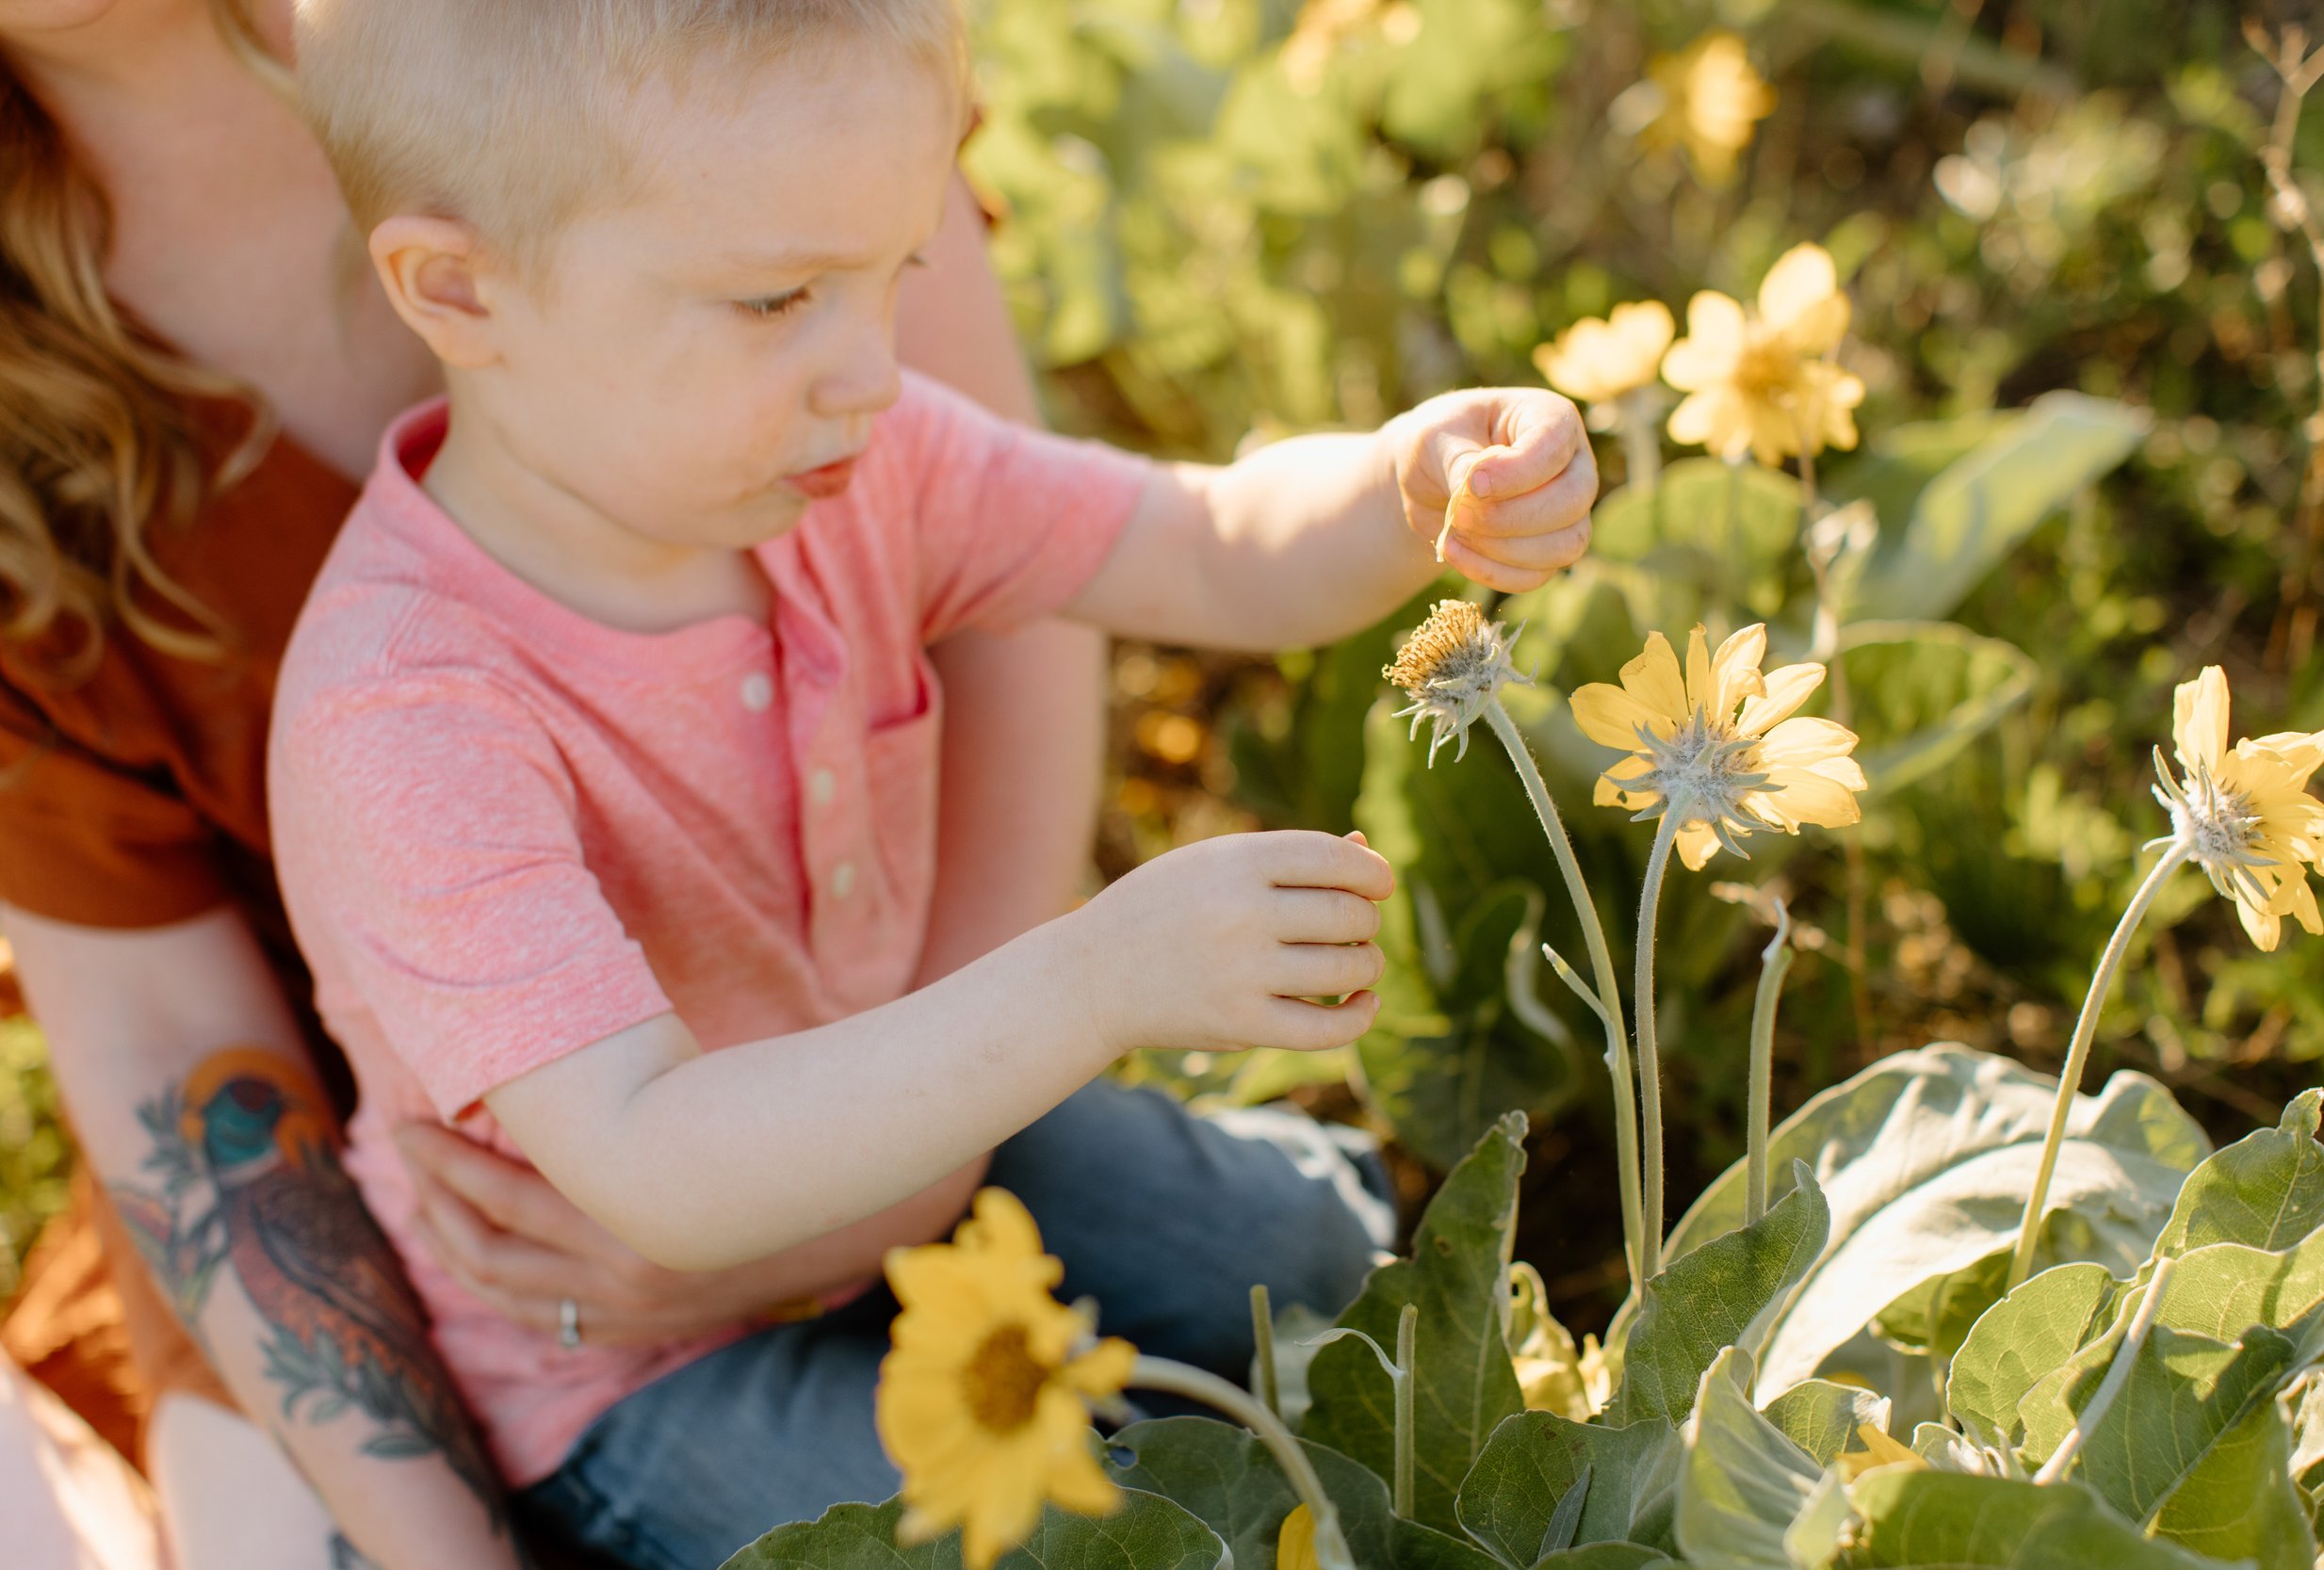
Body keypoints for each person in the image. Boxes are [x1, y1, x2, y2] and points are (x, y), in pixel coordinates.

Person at [268, 1, 1600, 1566]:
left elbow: (1197, 539)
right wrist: (1098, 979)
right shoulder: (407, 709)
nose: (871, 373)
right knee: (1088, 1532)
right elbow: (657, 1164)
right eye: (775, 300)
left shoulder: (847, 474)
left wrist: (1399, 487)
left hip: (909, 1113)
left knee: (1307, 1255)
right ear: (458, 287)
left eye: (894, 276)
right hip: (630, 1350)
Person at [0, 0, 1113, 1563]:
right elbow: (176, 1055)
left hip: (893, 1010)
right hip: (457, 1229)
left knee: (1263, 1317)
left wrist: (903, 1167)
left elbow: (1017, 572)